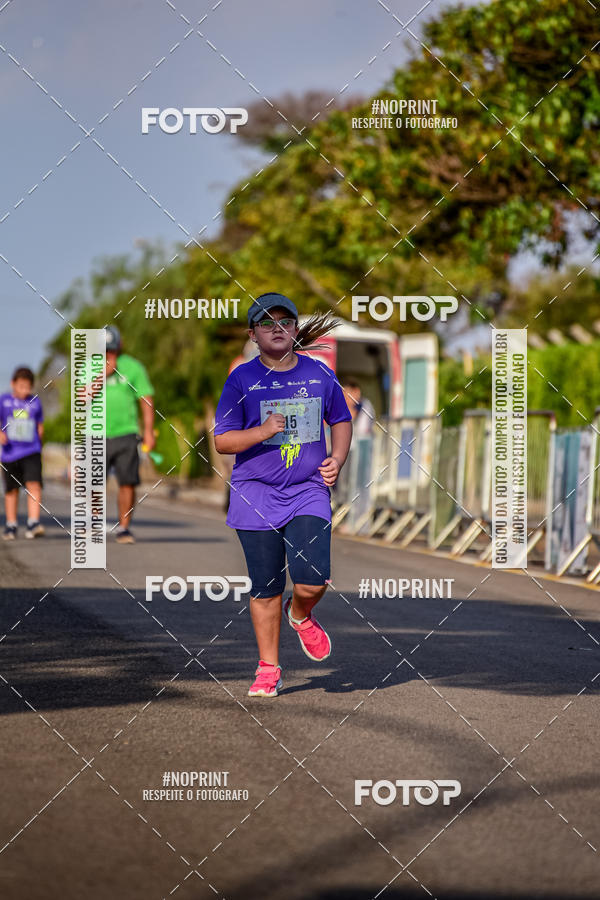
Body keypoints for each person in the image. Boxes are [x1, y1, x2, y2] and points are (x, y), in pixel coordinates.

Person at [214, 292, 352, 698]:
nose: (277, 328)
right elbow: (223, 441)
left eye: (285, 322)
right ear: (253, 334)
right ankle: (268, 667)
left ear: (295, 330)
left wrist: (338, 459)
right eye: (267, 323)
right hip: (255, 492)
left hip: (308, 489)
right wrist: (263, 431)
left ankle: (300, 614)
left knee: (313, 579)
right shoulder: (241, 378)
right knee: (265, 586)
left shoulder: (319, 374)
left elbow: (340, 419)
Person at [102, 326, 155, 544]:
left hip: (126, 433)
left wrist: (149, 432)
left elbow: (146, 399)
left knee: (127, 482)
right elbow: (80, 399)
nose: (109, 355)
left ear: (120, 346)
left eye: (112, 350)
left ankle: (124, 528)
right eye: (105, 351)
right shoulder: (86, 367)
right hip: (95, 434)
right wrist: (102, 374)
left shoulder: (133, 367)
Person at [0, 366, 45, 540]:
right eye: (21, 386)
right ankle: (11, 524)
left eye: (27, 387)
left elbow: (40, 423)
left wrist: (40, 436)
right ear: (13, 384)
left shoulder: (35, 401)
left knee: (34, 484)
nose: (24, 390)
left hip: (31, 450)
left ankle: (33, 522)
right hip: (10, 453)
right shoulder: (4, 400)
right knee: (12, 489)